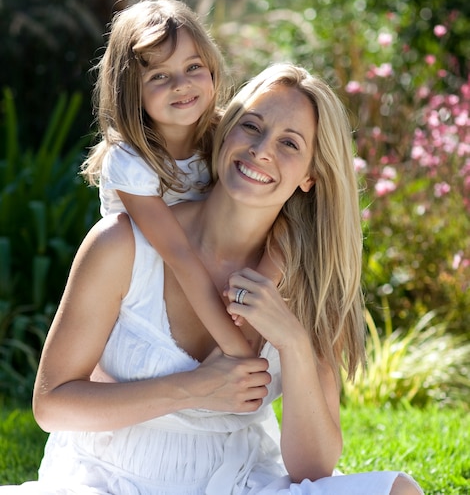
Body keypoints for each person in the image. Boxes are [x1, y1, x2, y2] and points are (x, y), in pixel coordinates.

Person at [3, 64, 423, 495]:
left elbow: (312, 467)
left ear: (311, 176)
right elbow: (51, 405)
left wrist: (292, 342)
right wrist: (192, 388)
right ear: (225, 133)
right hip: (110, 479)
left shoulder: (308, 281)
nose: (261, 150)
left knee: (397, 492)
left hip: (238, 480)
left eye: (289, 144)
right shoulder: (124, 245)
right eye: (251, 127)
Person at [81, 0, 279, 359]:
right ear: (131, 92)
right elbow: (178, 255)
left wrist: (252, 306)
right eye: (159, 76)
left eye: (193, 67)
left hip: (211, 278)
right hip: (142, 287)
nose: (181, 84)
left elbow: (277, 217)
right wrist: (237, 349)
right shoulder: (129, 160)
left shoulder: (225, 137)